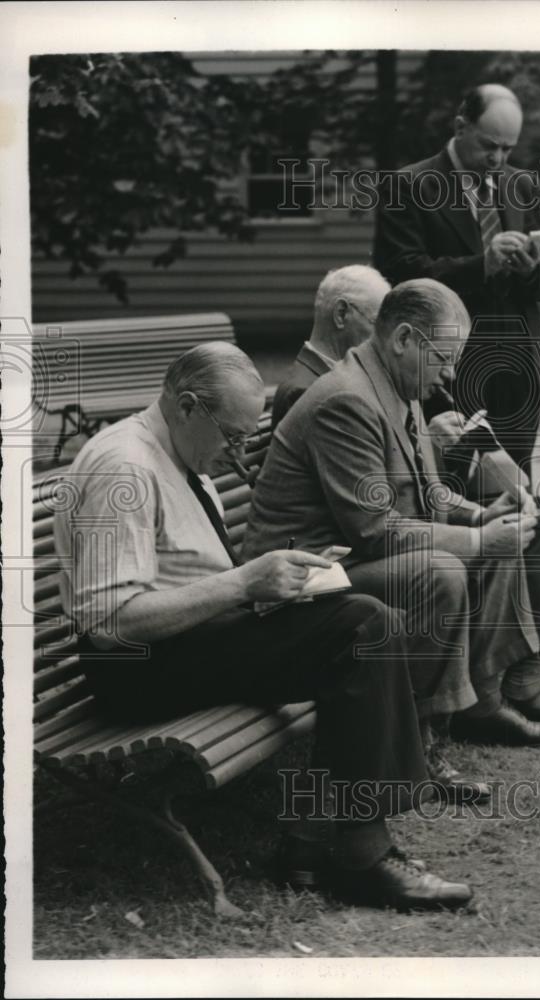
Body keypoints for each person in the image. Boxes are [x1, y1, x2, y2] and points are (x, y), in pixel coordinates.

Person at [53, 341, 473, 912]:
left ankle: (310, 840)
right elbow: (109, 621)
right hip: (135, 664)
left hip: (187, 639)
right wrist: (244, 585)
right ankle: (361, 854)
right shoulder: (124, 467)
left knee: (373, 621)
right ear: (186, 406)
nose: (238, 452)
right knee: (363, 626)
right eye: (231, 435)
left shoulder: (170, 449)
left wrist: (267, 593)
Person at [243, 280, 540, 747]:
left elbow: (430, 494)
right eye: (445, 357)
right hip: (304, 575)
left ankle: (484, 702)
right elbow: (373, 530)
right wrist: (479, 540)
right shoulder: (346, 399)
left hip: (351, 555)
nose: (452, 374)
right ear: (404, 340)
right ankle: (422, 739)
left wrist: (481, 515)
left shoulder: (397, 384)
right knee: (441, 570)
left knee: (497, 539)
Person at [374, 83, 540, 483]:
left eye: (507, 149)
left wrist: (530, 268)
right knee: (450, 487)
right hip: (447, 372)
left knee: (517, 492)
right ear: (461, 127)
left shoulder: (522, 185)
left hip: (519, 372)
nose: (497, 159)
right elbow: (400, 275)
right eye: (488, 145)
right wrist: (482, 265)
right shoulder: (408, 186)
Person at [272, 265, 391, 428]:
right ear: (341, 314)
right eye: (376, 324)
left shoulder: (322, 380)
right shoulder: (306, 392)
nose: (383, 340)